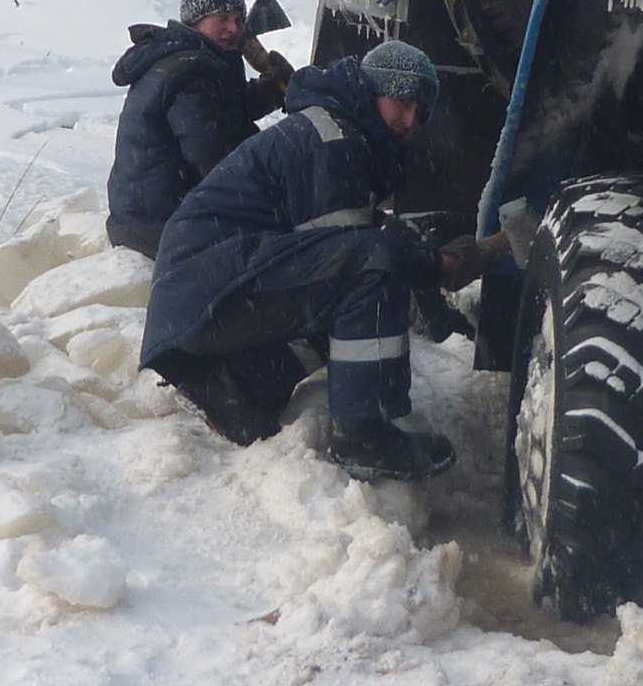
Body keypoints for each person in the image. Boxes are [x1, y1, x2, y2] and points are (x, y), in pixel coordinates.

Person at [139, 41, 489, 482]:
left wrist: (426, 258)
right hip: (205, 280)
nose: (410, 121)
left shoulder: (345, 133)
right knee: (371, 275)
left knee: (354, 310)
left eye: (421, 113)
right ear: (372, 89)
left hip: (199, 294)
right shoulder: (333, 139)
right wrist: (436, 267)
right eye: (402, 102)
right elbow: (360, 255)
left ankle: (237, 391)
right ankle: (367, 434)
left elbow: (350, 248)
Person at [106, 0, 292, 258]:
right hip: (165, 228)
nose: (234, 28)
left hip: (138, 217)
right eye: (223, 18)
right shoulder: (191, 72)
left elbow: (219, 110)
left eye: (240, 20)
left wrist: (269, 90)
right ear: (196, 20)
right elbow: (219, 158)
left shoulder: (178, 57)